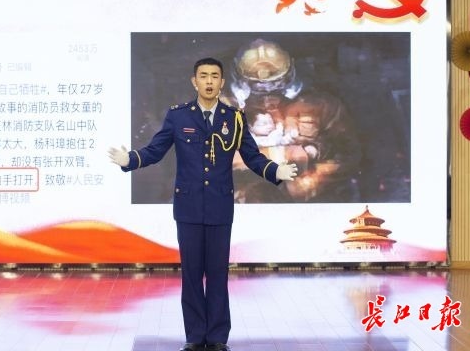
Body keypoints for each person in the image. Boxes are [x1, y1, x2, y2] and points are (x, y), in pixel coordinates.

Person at [108, 57, 298, 351]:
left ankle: (218, 337)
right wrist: (130, 160)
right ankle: (195, 337)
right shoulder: (178, 116)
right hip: (188, 207)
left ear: (222, 82)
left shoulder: (234, 118)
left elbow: (252, 156)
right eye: (203, 76)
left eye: (214, 76)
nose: (209, 81)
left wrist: (275, 171)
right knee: (192, 274)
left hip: (220, 206)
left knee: (218, 274)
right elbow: (156, 150)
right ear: (194, 81)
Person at [220, 38, 362, 203]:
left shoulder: (320, 105)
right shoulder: (222, 110)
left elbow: (348, 152)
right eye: (258, 85)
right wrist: (284, 155)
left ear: (289, 75)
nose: (268, 90)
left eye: (276, 82)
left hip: (310, 201)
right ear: (240, 81)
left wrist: (310, 182)